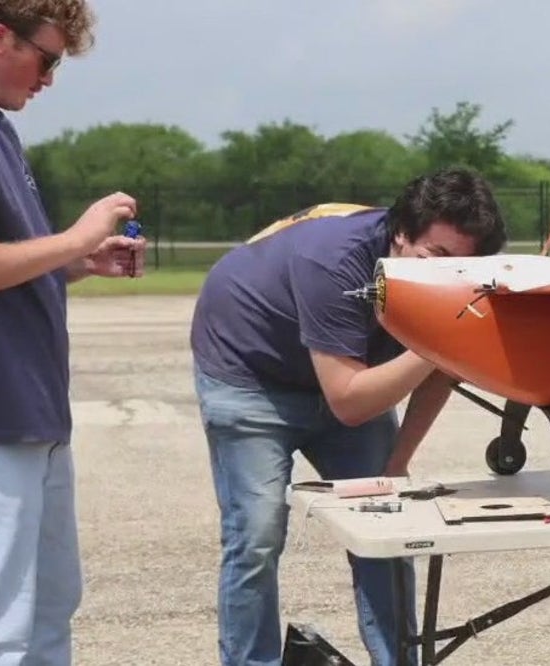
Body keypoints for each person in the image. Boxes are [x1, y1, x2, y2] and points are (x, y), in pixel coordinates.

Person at [189, 167, 508, 666]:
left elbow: (439, 375)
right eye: (436, 257)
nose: (445, 275)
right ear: (401, 234)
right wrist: (442, 340)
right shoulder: (333, 260)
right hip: (249, 371)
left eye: (459, 266)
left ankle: (399, 659)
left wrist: (396, 465)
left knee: (388, 523)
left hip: (349, 376)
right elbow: (350, 402)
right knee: (256, 533)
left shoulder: (453, 275)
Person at [0, 3, 148, 664]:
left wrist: (78, 261)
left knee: (49, 612)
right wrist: (75, 235)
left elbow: (11, 268)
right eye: (45, 58)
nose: (48, 78)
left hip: (34, 417)